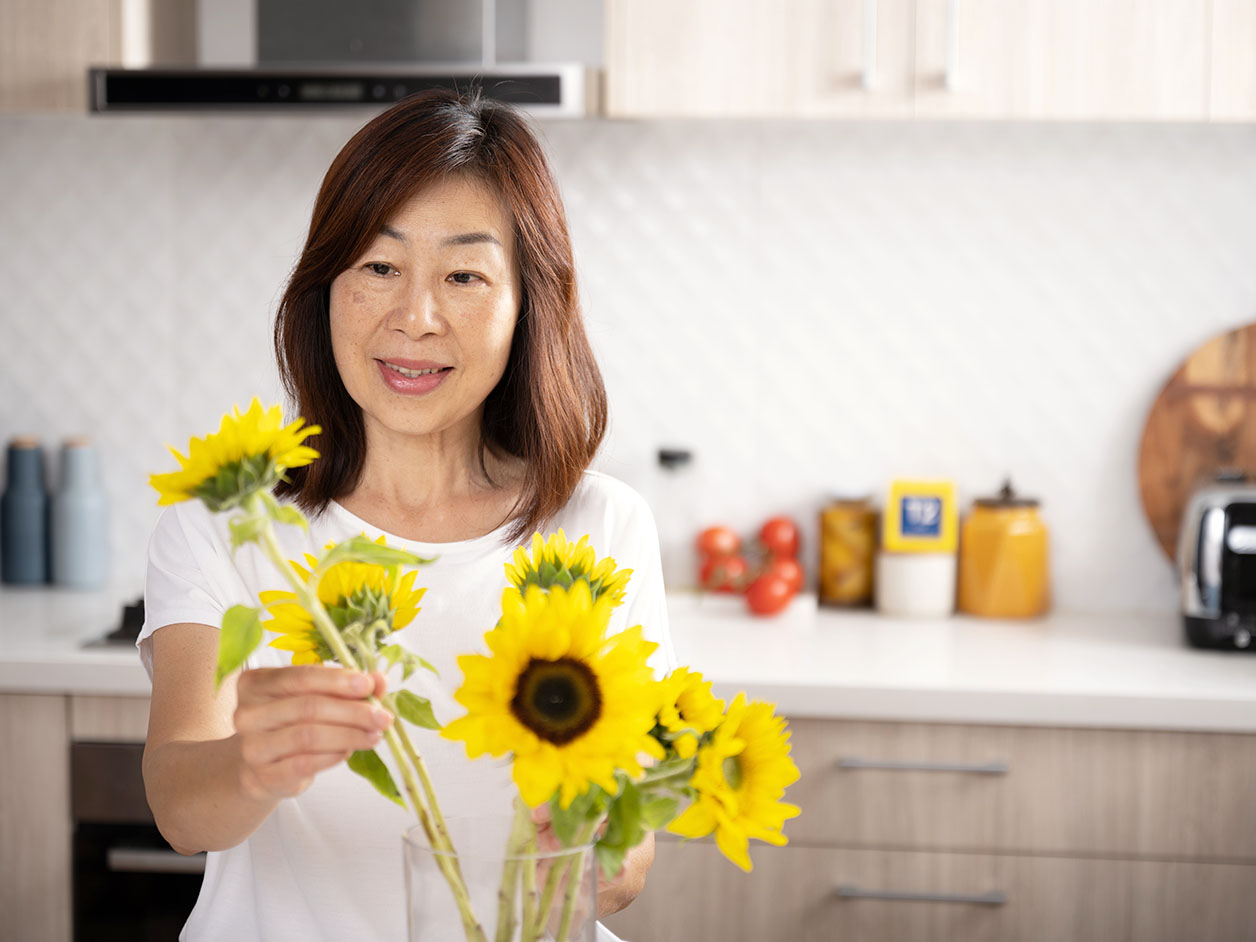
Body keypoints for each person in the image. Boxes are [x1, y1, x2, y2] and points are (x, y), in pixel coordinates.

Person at [139, 88, 675, 941]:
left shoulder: (599, 526)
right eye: (379, 268)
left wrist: (602, 853)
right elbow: (177, 800)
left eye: (464, 275)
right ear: (326, 287)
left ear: (526, 303)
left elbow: (629, 857)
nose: (414, 318)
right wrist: (252, 763)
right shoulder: (233, 528)